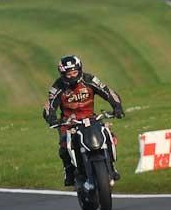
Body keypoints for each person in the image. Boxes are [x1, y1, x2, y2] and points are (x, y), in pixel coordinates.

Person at [42, 55, 125, 186]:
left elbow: (108, 92)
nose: (72, 76)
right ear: (62, 74)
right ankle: (68, 171)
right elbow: (49, 106)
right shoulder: (58, 87)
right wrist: (51, 119)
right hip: (69, 122)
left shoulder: (90, 79)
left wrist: (117, 107)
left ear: (80, 70)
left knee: (108, 135)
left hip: (91, 118)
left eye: (74, 72)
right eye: (68, 74)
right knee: (64, 145)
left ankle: (111, 165)